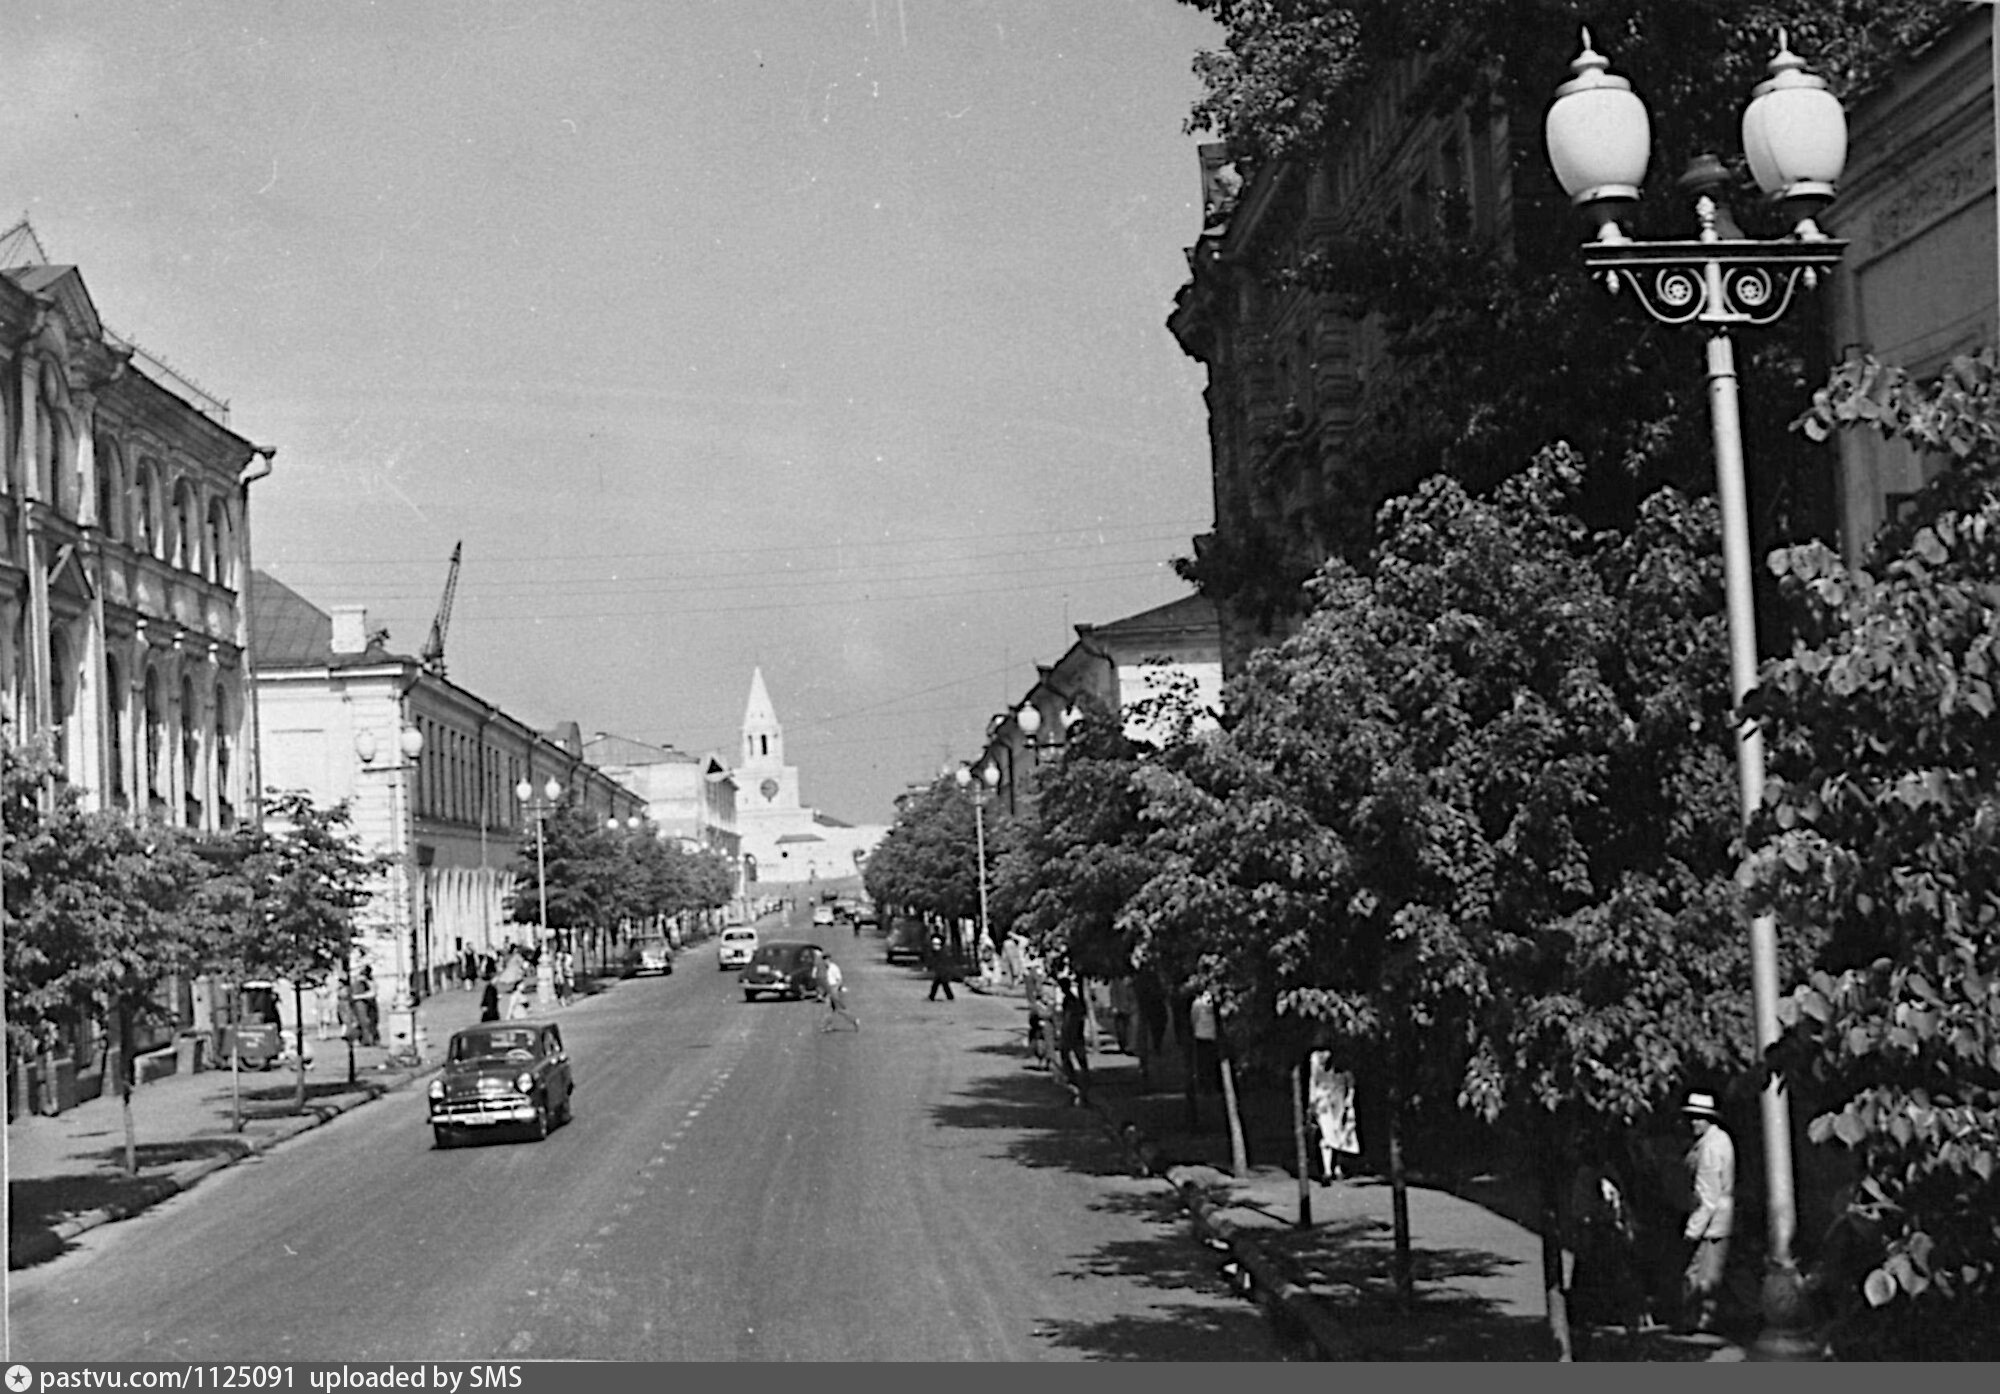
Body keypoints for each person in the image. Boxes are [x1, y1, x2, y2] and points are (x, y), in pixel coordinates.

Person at [1681, 1090, 1735, 1334]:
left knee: (1699, 1274)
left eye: (1699, 1117)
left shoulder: (1711, 1149)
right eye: (1692, 1117)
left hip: (1711, 1222)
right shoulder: (1719, 1140)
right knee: (1710, 1273)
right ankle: (1703, 1319)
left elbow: (1708, 1197)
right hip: (1720, 1218)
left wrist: (1692, 1231)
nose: (1694, 1122)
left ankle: (1698, 1322)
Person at [1308, 1050, 1359, 1181]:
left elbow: (1350, 1082)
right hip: (1325, 1105)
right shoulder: (1317, 1063)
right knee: (1327, 1136)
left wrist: (1349, 1099)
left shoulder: (1342, 1070)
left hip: (1339, 1103)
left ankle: (1335, 1167)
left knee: (1338, 1135)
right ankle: (1327, 1170)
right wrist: (1313, 1104)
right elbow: (1314, 1084)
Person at [1057, 978, 1091, 1102]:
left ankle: (1079, 1084)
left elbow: (1071, 1020)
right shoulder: (1069, 1000)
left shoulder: (1071, 1001)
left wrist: (1065, 1034)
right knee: (1072, 1058)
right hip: (1073, 1034)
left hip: (1073, 1035)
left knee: (1076, 1058)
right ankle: (1077, 1082)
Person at [819, 956, 858, 1032]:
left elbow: (839, 980)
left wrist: (835, 989)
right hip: (830, 989)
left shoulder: (834, 968)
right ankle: (826, 1026)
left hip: (834, 990)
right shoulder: (828, 969)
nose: (824, 963)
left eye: (825, 960)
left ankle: (854, 1020)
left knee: (839, 1009)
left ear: (828, 960)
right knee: (828, 1009)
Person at [351, 967, 379, 1046]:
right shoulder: (358, 982)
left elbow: (373, 993)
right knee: (362, 1022)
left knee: (371, 1022)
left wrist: (358, 996)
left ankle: (371, 1039)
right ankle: (364, 1039)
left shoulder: (370, 982)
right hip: (362, 1004)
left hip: (369, 1004)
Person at [926, 931, 956, 1002]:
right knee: (942, 985)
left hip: (942, 972)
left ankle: (932, 996)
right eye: (933, 944)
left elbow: (945, 963)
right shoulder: (935, 953)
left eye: (936, 944)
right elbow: (933, 962)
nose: (934, 946)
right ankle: (949, 996)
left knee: (938, 984)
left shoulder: (943, 953)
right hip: (940, 972)